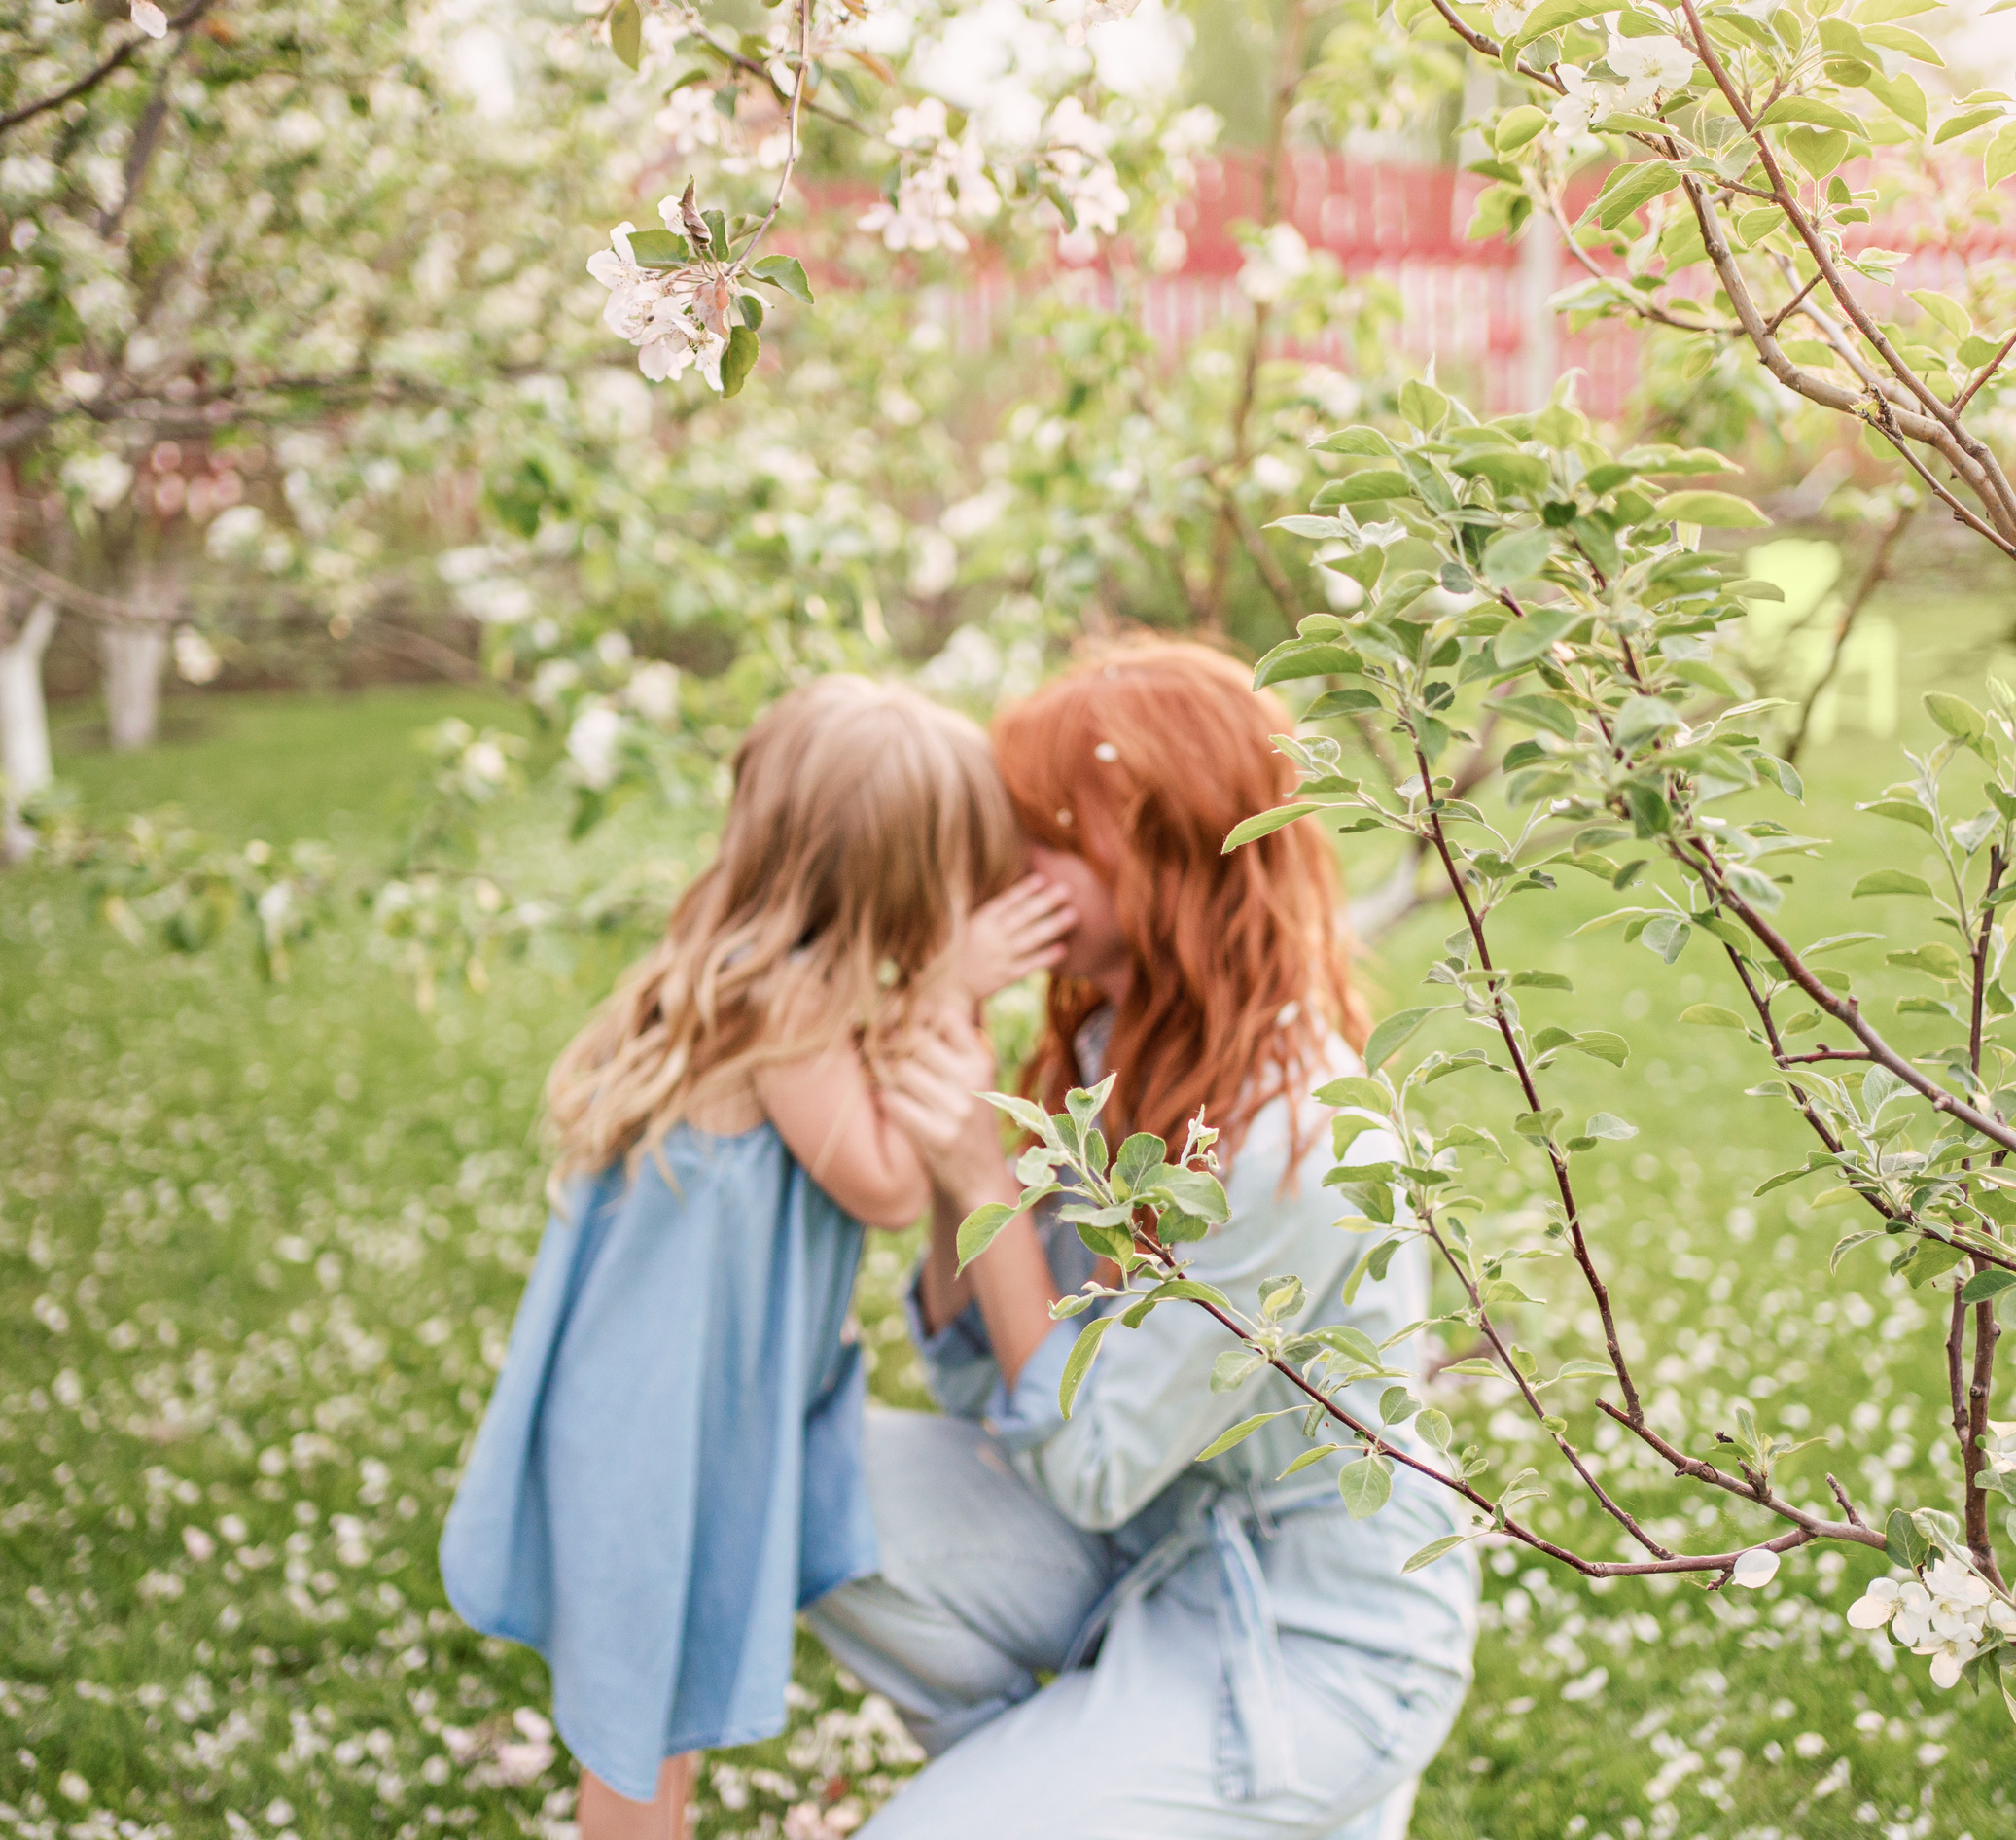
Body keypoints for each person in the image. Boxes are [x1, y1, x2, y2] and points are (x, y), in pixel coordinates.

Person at [808, 643, 1480, 1839]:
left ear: (1172, 849)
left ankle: (1190, 1790)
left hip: (1309, 1643)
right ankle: (1068, 1773)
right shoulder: (1112, 1044)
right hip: (1142, 1549)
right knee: (795, 1474)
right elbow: (987, 1383)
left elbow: (1092, 1456)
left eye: (1054, 831)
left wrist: (979, 1172)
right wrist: (955, 1121)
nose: (1012, 863)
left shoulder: (1289, 1133)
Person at [438, 676, 1074, 1840]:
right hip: (656, 1425)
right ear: (882, 882)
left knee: (659, 1711)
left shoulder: (774, 976)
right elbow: (886, 1184)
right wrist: (947, 992)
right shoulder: (783, 1006)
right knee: (640, 1723)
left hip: (680, 1407)